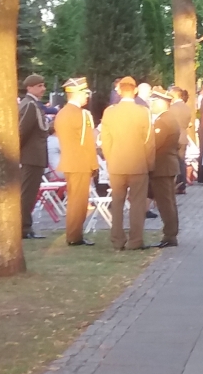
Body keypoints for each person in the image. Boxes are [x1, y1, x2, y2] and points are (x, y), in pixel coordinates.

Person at [102, 77, 154, 250]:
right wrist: (149, 164)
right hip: (138, 164)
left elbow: (105, 140)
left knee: (117, 203)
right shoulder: (143, 112)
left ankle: (117, 239)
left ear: (119, 90)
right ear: (135, 91)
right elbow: (149, 141)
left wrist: (111, 159)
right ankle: (135, 240)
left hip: (116, 164)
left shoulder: (110, 112)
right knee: (137, 203)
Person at [54, 78, 98, 246]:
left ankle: (73, 234)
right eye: (84, 92)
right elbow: (87, 142)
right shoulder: (82, 115)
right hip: (81, 163)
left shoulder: (61, 113)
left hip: (68, 161)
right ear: (77, 93)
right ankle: (74, 236)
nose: (87, 96)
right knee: (79, 202)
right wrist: (94, 165)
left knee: (74, 200)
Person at [18, 74, 51, 240]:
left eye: (43, 85)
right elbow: (22, 131)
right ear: (29, 88)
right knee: (27, 194)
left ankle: (25, 226)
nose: (43, 89)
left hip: (33, 156)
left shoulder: (32, 104)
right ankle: (23, 228)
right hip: (31, 157)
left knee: (29, 194)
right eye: (39, 86)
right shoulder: (30, 105)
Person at [149, 88, 182, 247]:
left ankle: (169, 235)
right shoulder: (169, 118)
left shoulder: (163, 121)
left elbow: (154, 144)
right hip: (167, 165)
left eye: (153, 102)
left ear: (161, 103)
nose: (150, 105)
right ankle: (171, 233)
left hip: (162, 167)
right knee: (169, 201)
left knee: (165, 203)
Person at [168, 86, 194, 194]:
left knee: (174, 162)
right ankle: (182, 185)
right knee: (182, 162)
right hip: (183, 136)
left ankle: (175, 184)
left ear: (174, 94)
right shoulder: (186, 107)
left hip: (174, 137)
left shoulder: (172, 108)